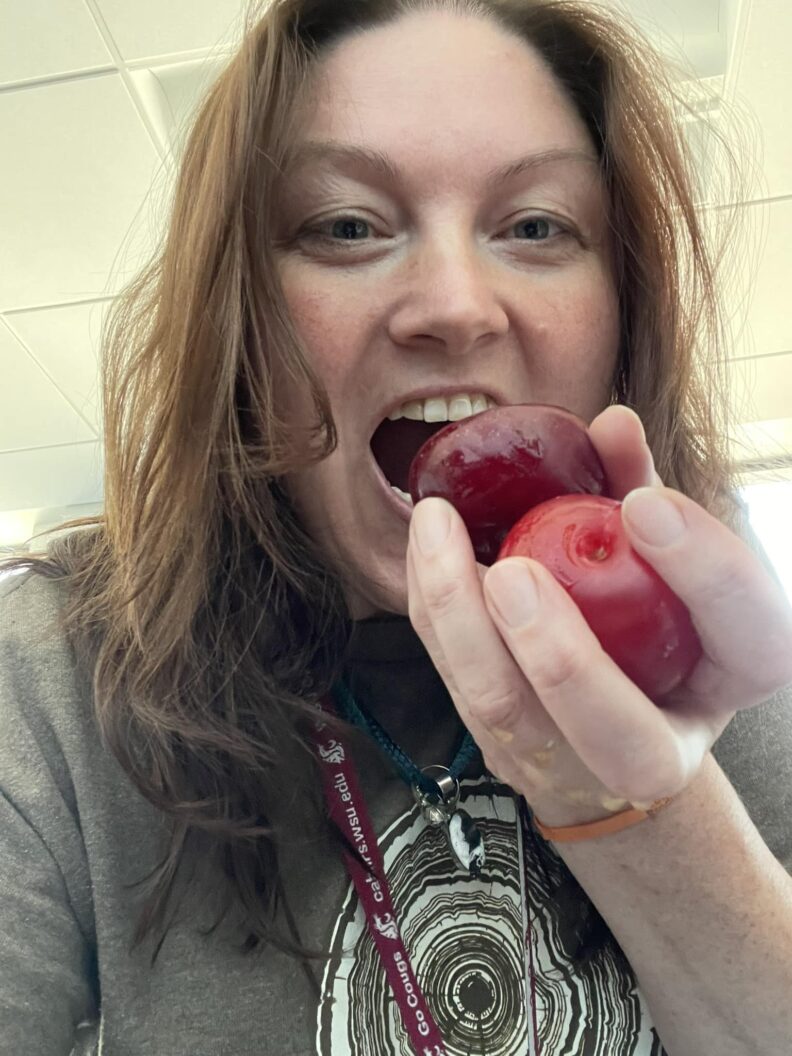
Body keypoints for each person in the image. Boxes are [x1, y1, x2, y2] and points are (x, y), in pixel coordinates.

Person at [2, 0, 791, 1053]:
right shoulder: (56, 670)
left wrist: (647, 812)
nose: (456, 306)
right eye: (346, 226)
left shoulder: (707, 622)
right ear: (242, 325)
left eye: (536, 226)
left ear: (623, 310)